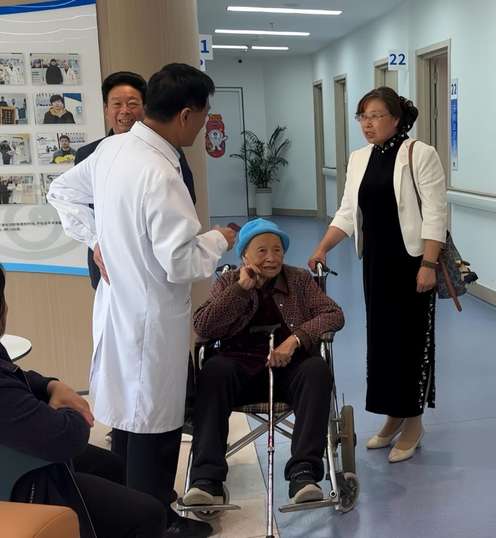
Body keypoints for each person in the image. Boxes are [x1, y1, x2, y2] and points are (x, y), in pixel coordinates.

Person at [47, 63, 237, 538]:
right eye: (204, 116)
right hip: (150, 321)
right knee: (152, 427)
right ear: (187, 115)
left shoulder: (112, 149)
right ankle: (155, 526)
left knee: (128, 426)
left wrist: (94, 238)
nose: (203, 126)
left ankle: (136, 516)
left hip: (119, 312)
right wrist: (220, 239)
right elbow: (181, 262)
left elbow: (60, 190)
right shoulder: (160, 172)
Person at [309, 87, 447, 464]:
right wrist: (323, 247)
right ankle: (393, 416)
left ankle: (413, 422)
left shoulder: (419, 154)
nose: (367, 124)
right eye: (362, 117)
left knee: (410, 343)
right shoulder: (359, 159)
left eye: (375, 116)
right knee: (382, 343)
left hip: (411, 263)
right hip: (376, 264)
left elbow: (436, 213)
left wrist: (429, 264)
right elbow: (347, 212)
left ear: (396, 119)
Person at [183, 219, 344, 506]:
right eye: (261, 251)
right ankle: (206, 480)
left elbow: (333, 314)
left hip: (288, 372)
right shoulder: (228, 281)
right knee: (213, 371)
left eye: (277, 250)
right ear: (244, 255)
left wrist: (295, 339)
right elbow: (203, 326)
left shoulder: (299, 280)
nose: (271, 257)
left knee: (316, 370)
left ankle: (303, 473)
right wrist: (240, 290)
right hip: (240, 374)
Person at [0, 265, 167, 538]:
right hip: (20, 485)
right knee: (149, 515)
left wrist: (51, 385)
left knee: (110, 465)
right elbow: (63, 437)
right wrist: (73, 410)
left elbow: (17, 376)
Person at [75, 71, 197, 290]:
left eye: (132, 104)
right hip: (106, 262)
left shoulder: (167, 151)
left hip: (151, 262)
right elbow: (78, 205)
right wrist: (94, 240)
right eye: (116, 104)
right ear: (106, 109)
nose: (125, 111)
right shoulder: (89, 154)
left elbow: (187, 199)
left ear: (145, 108)